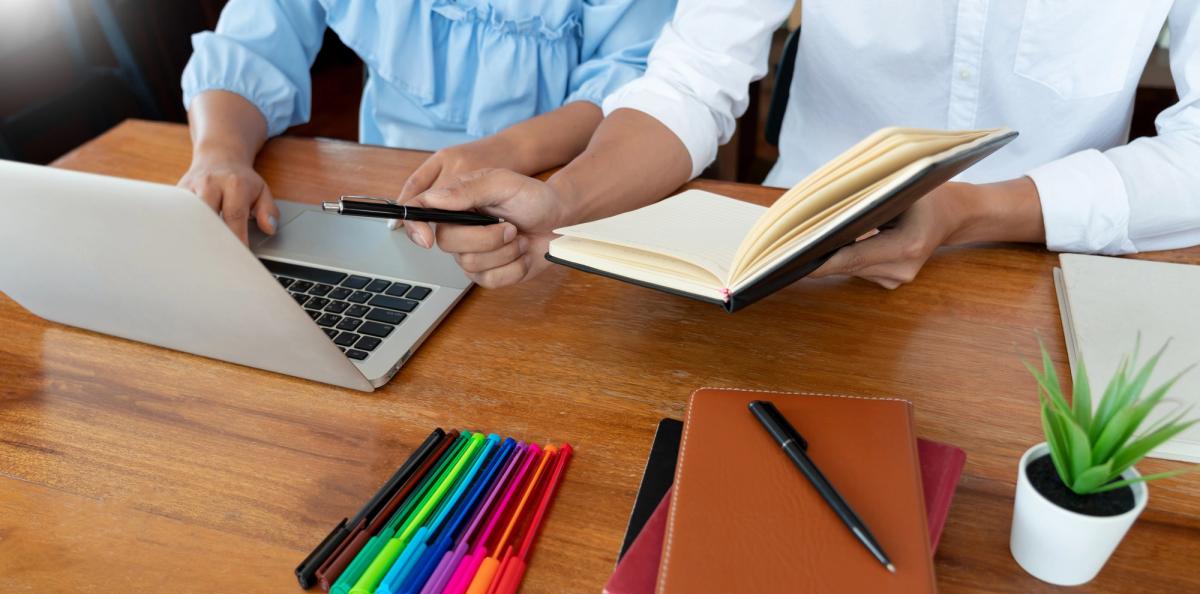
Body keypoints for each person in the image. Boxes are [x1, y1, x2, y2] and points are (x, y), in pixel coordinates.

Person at [409, 1, 1200, 290]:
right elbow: (689, 80)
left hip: (1048, 268)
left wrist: (966, 210)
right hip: (800, 266)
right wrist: (565, 200)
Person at [177, 0, 675, 245]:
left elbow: (636, 85)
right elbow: (251, 44)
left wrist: (512, 150)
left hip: (569, 201)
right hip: (390, 206)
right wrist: (220, 154)